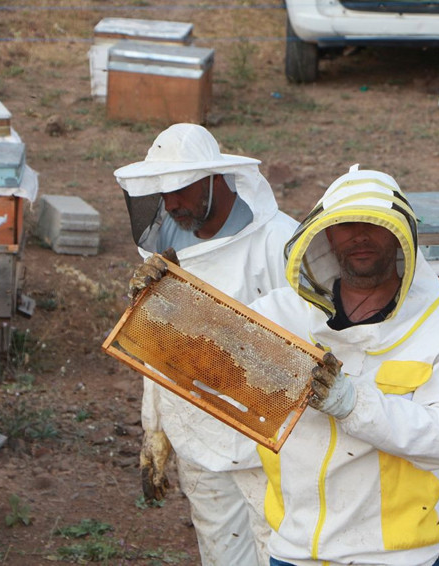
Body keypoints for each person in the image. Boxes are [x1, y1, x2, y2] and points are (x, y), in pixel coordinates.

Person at [248, 165, 439, 566]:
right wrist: (163, 301)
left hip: (396, 557)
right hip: (296, 548)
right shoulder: (281, 313)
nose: (359, 235)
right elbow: (207, 355)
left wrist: (354, 404)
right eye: (346, 224)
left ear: (401, 237)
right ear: (325, 234)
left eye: (374, 224)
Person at [114, 123, 298, 566]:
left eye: (181, 189)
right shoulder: (164, 250)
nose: (171, 203)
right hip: (196, 438)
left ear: (217, 179)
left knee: (281, 552)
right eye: (162, 192)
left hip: (268, 446)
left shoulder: (278, 242)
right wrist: (154, 430)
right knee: (222, 557)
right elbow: (158, 348)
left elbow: (308, 344)